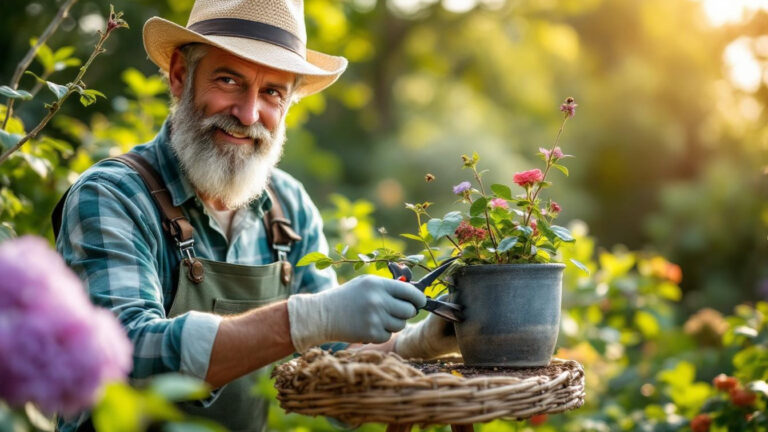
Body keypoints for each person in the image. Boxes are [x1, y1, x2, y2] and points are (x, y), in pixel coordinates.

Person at [55, 1, 458, 430]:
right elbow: (124, 356)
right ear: (179, 76)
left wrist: (415, 345)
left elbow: (331, 371)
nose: (248, 115)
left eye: (272, 93)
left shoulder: (288, 207)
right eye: (229, 80)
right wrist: (307, 318)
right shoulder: (114, 195)